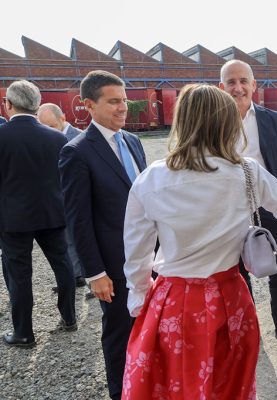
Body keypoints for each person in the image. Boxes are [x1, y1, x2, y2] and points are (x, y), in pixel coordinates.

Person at [121, 84, 277, 399]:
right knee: (230, 386)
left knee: (178, 386)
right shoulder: (245, 172)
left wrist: (138, 296)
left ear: (182, 122)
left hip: (173, 302)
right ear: (228, 124)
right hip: (228, 298)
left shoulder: (152, 178)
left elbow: (137, 254)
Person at [59, 70, 147, 400]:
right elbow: (77, 221)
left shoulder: (134, 141)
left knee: (148, 329)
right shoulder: (77, 152)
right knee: (119, 334)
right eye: (113, 102)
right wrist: (95, 273)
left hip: (149, 260)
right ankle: (120, 393)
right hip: (113, 266)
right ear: (88, 105)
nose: (123, 108)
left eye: (124, 100)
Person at [219, 59, 277, 357]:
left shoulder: (273, 120)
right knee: (237, 275)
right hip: (231, 214)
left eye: (243, 81)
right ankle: (249, 330)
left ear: (254, 85)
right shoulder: (213, 123)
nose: (238, 87)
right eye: (231, 82)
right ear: (222, 87)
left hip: (269, 210)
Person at [0, 80, 77, 348]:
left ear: (7, 104)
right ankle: (69, 318)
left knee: (19, 274)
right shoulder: (57, 137)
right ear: (36, 104)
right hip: (52, 213)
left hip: (13, 218)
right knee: (63, 264)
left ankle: (24, 333)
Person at [37, 103, 87, 291]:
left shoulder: (81, 137)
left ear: (63, 118)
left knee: (83, 238)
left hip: (79, 197)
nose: (47, 131)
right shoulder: (46, 139)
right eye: (43, 127)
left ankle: (91, 280)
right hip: (60, 198)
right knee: (67, 239)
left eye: (51, 126)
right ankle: (76, 276)